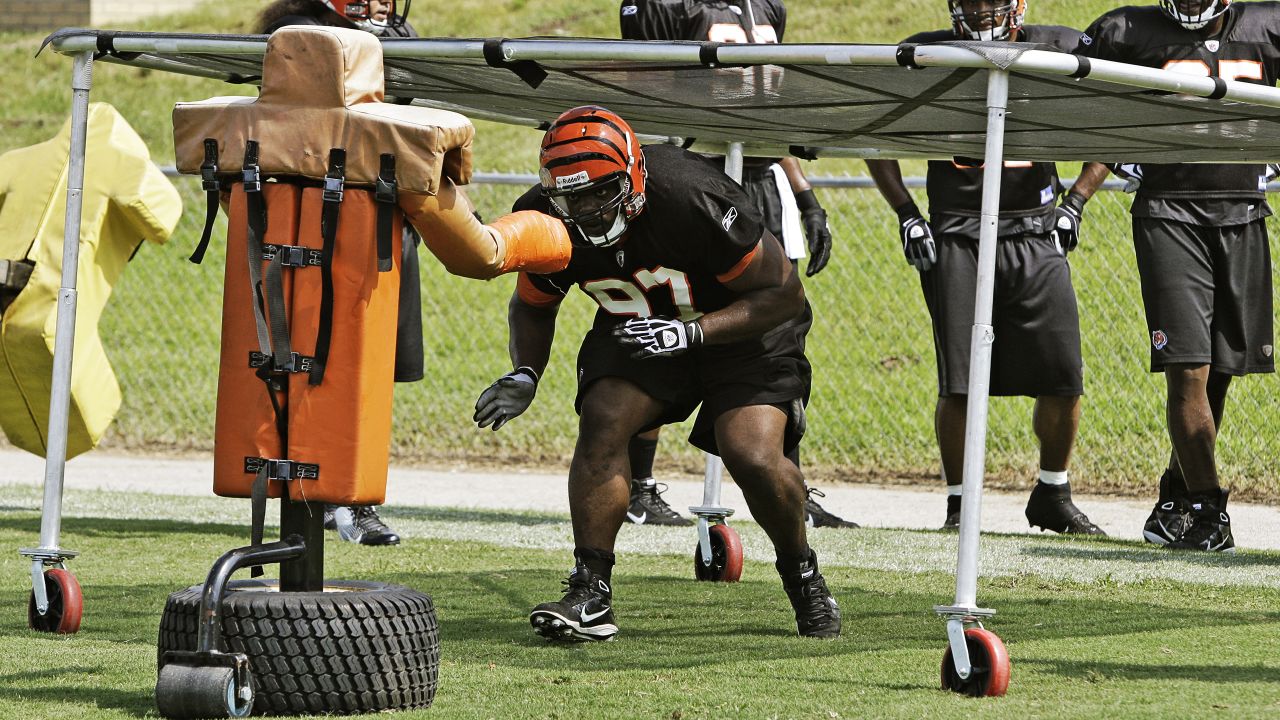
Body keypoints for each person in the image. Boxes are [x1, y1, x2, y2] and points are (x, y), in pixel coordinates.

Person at [474, 105, 841, 641]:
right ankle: (590, 591)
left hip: (743, 330)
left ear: (635, 174)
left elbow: (782, 293)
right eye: (573, 196)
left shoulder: (690, 194)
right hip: (641, 320)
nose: (590, 209)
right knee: (603, 419)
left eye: (602, 191)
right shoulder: (546, 219)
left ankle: (803, 577)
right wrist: (526, 372)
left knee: (752, 454)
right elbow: (533, 303)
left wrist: (691, 333)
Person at [866, 0, 1110, 534]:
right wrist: (907, 213)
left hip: (1035, 228)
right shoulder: (927, 50)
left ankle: (1052, 491)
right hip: (958, 231)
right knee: (959, 382)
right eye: (971, 1)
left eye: (991, 0)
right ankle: (959, 504)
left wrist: (1076, 201)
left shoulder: (1058, 45)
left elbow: (1112, 116)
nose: (981, 11)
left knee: (1063, 374)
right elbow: (874, 131)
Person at [619, 0, 855, 530]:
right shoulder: (664, 5)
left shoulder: (767, 5)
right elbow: (643, 92)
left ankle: (785, 476)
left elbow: (767, 109)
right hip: (691, 177)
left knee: (778, 334)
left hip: (762, 176)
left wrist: (805, 194)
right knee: (662, 318)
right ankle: (640, 485)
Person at [1076, 0, 1278, 552]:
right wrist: (1105, 169)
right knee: (1188, 369)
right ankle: (1210, 510)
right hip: (1170, 211)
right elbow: (1076, 99)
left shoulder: (1266, 26)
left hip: (1243, 211)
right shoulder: (1128, 30)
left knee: (1221, 372)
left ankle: (1175, 498)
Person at [255, 0, 417, 546]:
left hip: (379, 217)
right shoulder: (297, 31)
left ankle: (348, 492)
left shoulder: (398, 33)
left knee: (367, 373)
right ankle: (327, 496)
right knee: (312, 367)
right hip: (312, 223)